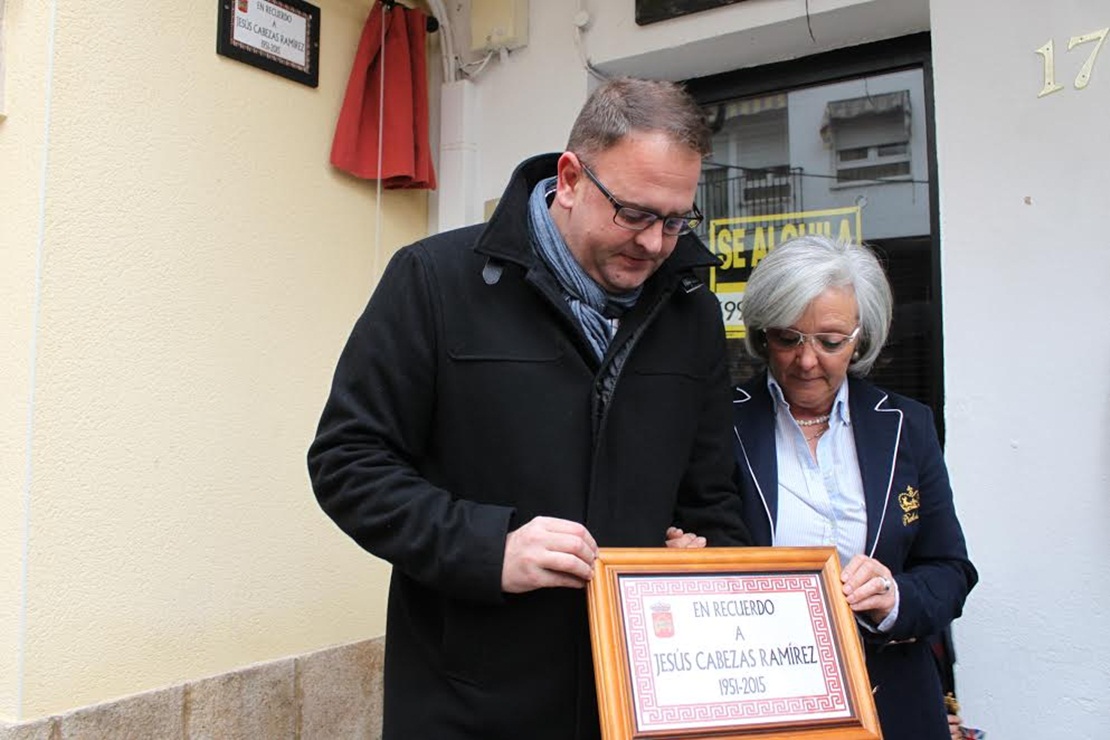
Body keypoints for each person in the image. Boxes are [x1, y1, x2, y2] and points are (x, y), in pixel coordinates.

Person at [308, 77, 751, 740]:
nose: (656, 244)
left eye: (675, 220)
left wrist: (702, 556)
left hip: (637, 704)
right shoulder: (434, 280)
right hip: (469, 707)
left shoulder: (694, 315)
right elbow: (348, 462)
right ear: (570, 178)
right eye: (634, 214)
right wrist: (491, 548)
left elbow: (712, 498)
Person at [729, 235, 977, 740]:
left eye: (830, 341)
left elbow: (951, 571)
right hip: (762, 701)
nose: (806, 361)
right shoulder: (718, 423)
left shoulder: (907, 425)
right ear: (762, 333)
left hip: (894, 703)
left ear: (861, 340)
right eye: (788, 338)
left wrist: (893, 597)